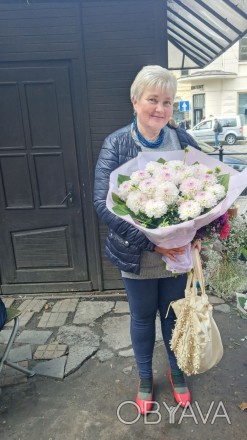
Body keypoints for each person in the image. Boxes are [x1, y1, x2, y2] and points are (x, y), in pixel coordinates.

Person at [94, 65, 201, 415]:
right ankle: (144, 377)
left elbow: (206, 193)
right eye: (153, 99)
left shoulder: (181, 140)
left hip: (176, 254)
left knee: (173, 314)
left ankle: (177, 370)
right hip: (138, 254)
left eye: (167, 101)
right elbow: (102, 203)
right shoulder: (118, 142)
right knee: (142, 318)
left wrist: (197, 235)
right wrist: (153, 244)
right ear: (135, 100)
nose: (160, 108)